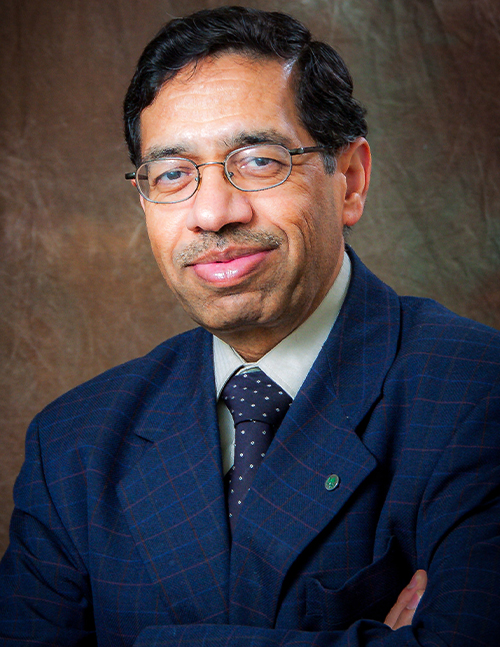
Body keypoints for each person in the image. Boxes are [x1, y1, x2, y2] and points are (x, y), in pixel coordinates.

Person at [0, 6, 498, 646]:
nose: (213, 213)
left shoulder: (477, 393)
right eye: (173, 174)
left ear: (349, 181)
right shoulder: (73, 444)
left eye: (259, 161)